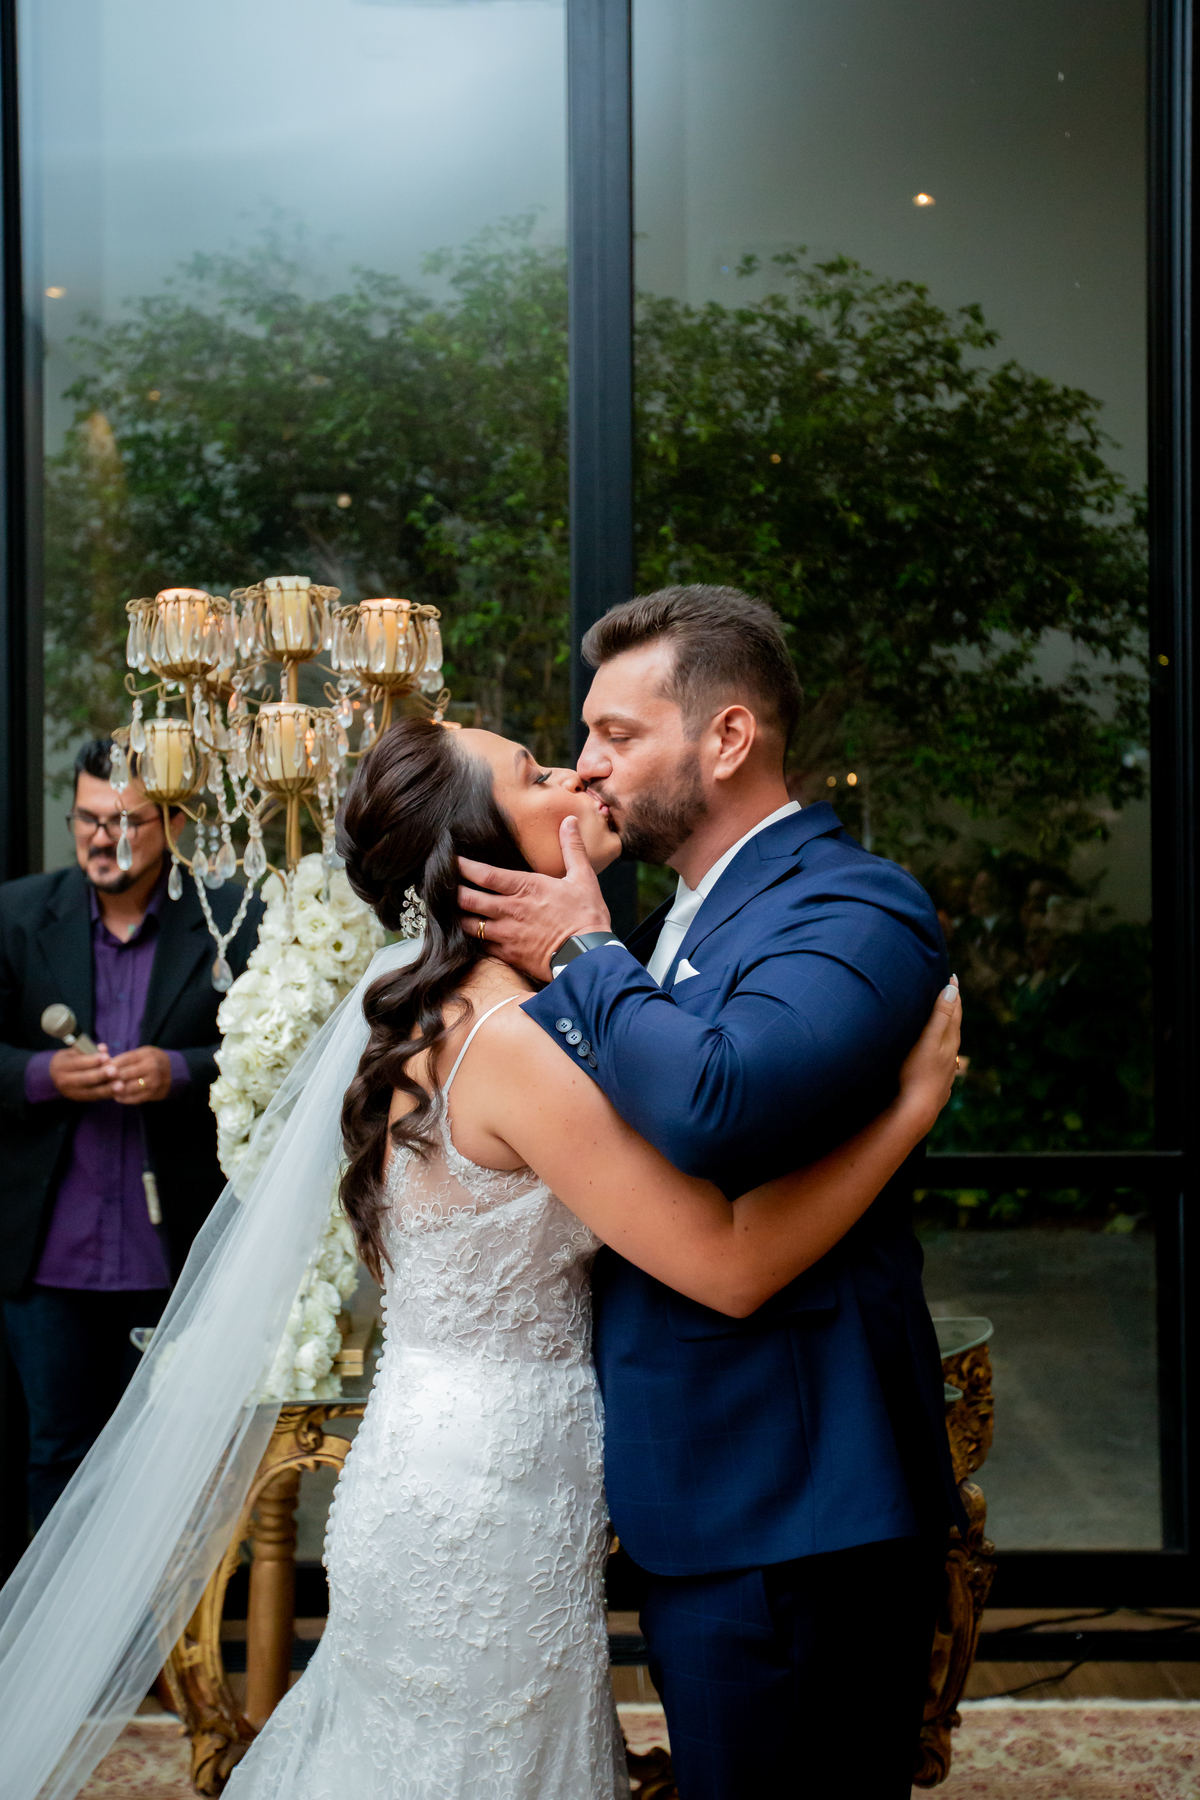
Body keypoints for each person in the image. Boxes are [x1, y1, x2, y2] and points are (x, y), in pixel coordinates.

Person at [217, 715, 959, 1800]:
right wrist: (909, 1110)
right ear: (481, 856)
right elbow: (729, 1266)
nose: (576, 772)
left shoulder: (459, 1013)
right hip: (489, 1499)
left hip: (447, 1457)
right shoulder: (509, 1040)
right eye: (535, 774)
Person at [458, 585, 962, 1799]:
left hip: (800, 1507)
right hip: (704, 1495)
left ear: (727, 737)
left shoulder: (854, 905)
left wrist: (581, 953)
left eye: (617, 735)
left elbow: (719, 1102)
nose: (588, 765)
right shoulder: (668, 921)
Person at [0, 738, 262, 1527]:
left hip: (177, 1255)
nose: (102, 839)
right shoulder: (16, 916)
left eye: (127, 822)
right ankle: (60, 1617)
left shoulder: (233, 923)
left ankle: (173, 1618)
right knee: (57, 1455)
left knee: (171, 1466)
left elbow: (277, 1055)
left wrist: (179, 1071)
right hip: (49, 1261)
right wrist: (41, 1075)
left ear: (174, 823)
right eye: (87, 820)